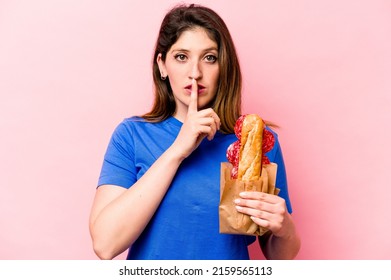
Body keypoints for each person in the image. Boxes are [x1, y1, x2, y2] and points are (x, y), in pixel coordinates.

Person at [89, 3, 300, 260]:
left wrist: (285, 228)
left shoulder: (253, 143)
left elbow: (279, 257)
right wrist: (178, 149)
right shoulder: (131, 136)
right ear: (162, 65)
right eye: (181, 57)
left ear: (224, 67)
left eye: (209, 58)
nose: (195, 73)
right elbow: (105, 244)